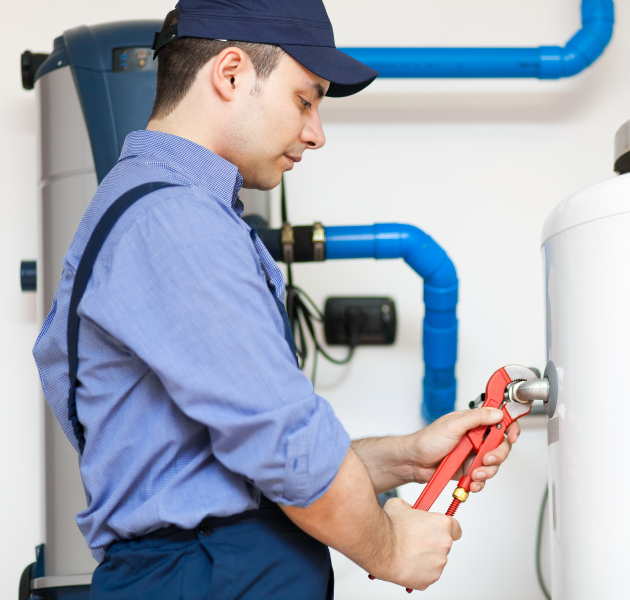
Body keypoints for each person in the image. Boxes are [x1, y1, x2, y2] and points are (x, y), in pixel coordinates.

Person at [32, 1, 521, 598]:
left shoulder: (154, 209)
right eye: (305, 99)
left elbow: (216, 474)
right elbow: (287, 450)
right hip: (210, 575)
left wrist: (406, 458)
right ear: (231, 73)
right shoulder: (176, 220)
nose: (316, 133)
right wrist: (389, 547)